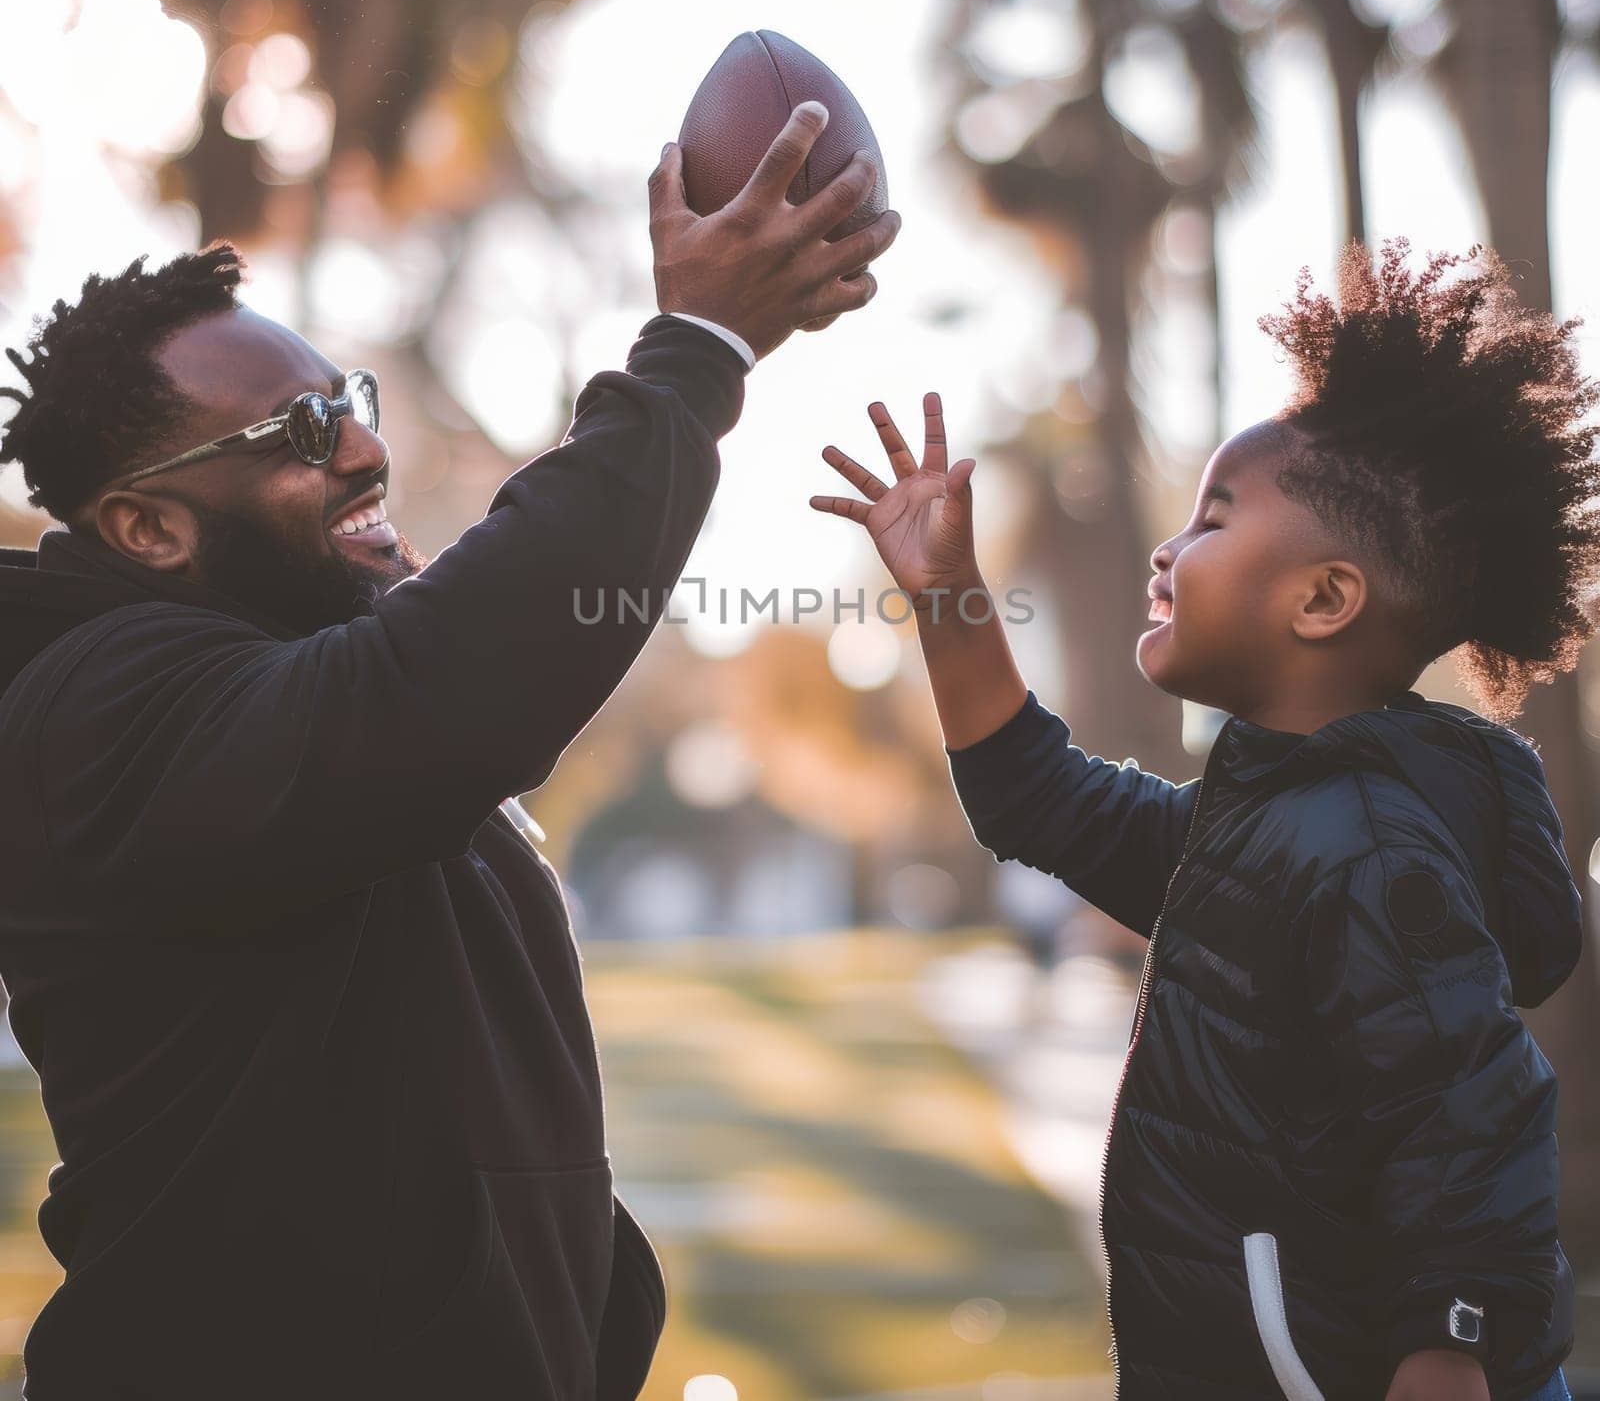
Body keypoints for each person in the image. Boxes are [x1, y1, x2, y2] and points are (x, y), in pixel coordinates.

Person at [0, 101, 900, 1399]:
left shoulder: (275, 696)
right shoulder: (99, 707)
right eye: (302, 434)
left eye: (348, 400)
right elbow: (457, 670)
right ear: (148, 529)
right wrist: (696, 353)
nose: (367, 446)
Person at [811, 239, 1591, 1401]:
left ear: (1322, 599)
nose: (1168, 549)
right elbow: (1035, 796)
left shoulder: (1369, 851)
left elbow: (1475, 1126)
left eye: (1213, 519)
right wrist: (948, 598)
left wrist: (1450, 1354)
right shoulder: (1256, 828)